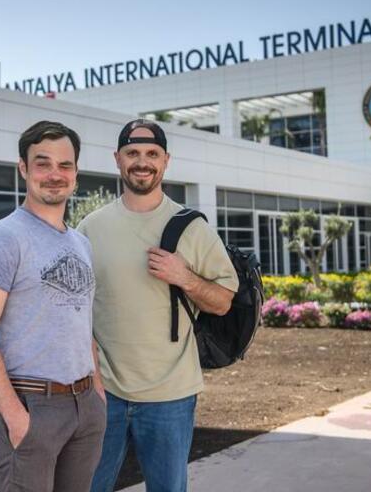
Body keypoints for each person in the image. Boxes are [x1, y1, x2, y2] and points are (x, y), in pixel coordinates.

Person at [78, 119, 239, 492]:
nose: (142, 162)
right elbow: (76, 309)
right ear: (117, 159)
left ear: (166, 161)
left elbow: (223, 302)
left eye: (152, 154)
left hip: (171, 397)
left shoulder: (193, 229)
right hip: (105, 393)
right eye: (132, 153)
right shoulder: (90, 228)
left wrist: (185, 277)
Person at [0, 120, 106, 492]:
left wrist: (97, 393)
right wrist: (14, 416)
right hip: (31, 406)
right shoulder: (2, 238)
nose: (55, 174)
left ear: (76, 173)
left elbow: (82, 322)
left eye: (65, 165)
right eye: (43, 164)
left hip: (85, 406)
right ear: (23, 169)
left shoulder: (81, 244)